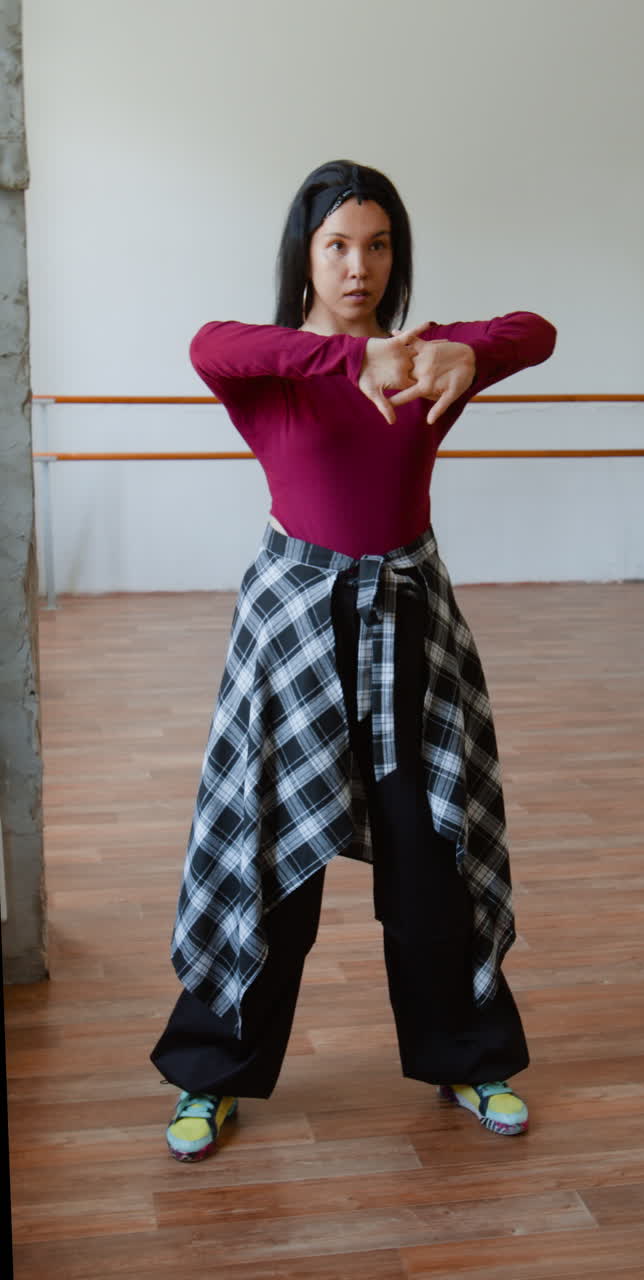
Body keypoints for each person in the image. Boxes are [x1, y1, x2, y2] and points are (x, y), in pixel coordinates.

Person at [150, 159, 556, 1162]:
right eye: (337, 244)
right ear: (305, 254)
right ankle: (214, 1074)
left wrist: (457, 351)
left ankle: (468, 1054)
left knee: (431, 855)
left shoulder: (427, 363)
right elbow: (208, 341)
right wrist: (350, 364)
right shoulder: (278, 372)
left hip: (409, 620)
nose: (358, 266)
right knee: (265, 857)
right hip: (294, 626)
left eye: (378, 245)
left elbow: (535, 330)